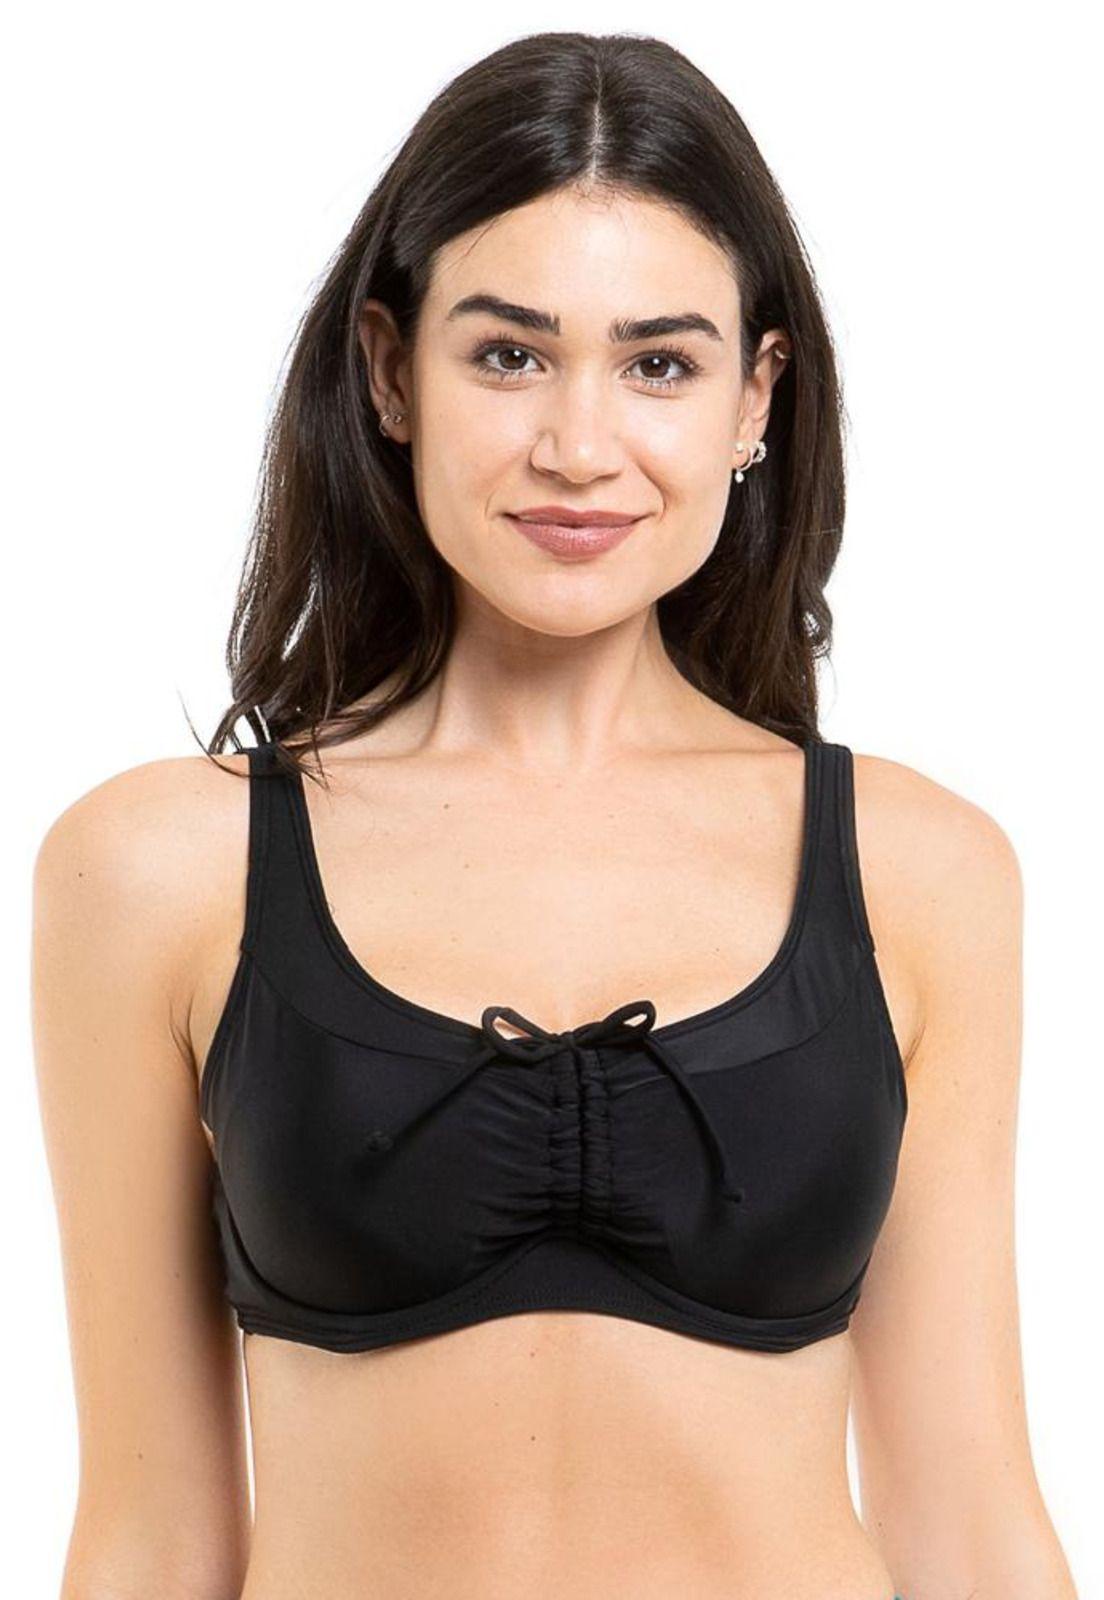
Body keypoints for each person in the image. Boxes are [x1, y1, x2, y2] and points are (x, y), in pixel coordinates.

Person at [32, 30, 1077, 1600]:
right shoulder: (156, 873)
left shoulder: (922, 872)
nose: (581, 448)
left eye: (660, 364)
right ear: (389, 371)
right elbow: (149, 1536)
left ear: (754, 398)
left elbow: (970, 1520)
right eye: (510, 356)